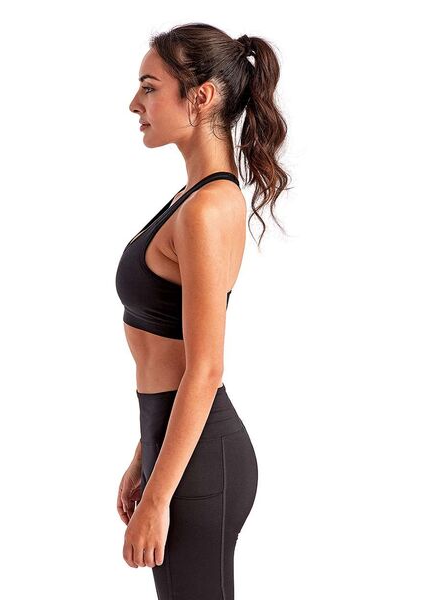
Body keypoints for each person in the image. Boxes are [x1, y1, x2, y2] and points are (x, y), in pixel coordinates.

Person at [115, 22, 290, 600]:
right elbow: (169, 351)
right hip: (177, 445)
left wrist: (158, 496)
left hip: (199, 462)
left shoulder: (207, 208)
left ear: (201, 96)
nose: (134, 103)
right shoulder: (191, 200)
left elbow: (206, 367)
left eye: (149, 87)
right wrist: (144, 455)